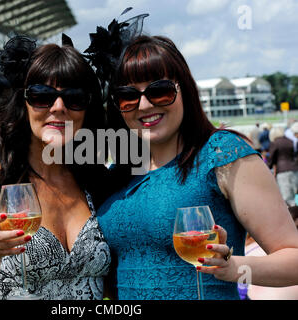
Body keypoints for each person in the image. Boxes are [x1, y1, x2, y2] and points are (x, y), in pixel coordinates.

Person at [86, 15, 298, 299]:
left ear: (184, 90)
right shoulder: (120, 172)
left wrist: (232, 266)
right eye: (128, 96)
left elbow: (293, 257)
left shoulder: (221, 153)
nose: (145, 105)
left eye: (159, 91)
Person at [0, 35, 111, 300]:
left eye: (75, 97)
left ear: (87, 108)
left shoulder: (97, 185)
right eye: (42, 96)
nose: (58, 107)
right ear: (23, 104)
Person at [267, 126, 298, 206]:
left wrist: (268, 167)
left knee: (287, 197)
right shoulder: (291, 141)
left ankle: (292, 216)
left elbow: (271, 157)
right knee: (295, 194)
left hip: (282, 171)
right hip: (294, 169)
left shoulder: (275, 143)